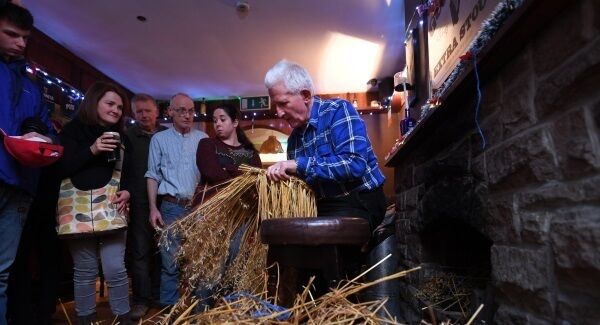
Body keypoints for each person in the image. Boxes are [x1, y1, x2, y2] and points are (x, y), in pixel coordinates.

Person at [264, 59, 387, 230]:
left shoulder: (338, 110)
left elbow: (354, 164)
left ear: (306, 96)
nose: (278, 112)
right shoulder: (293, 140)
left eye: (283, 103)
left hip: (360, 198)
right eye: (275, 105)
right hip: (323, 206)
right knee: (284, 235)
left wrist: (299, 164)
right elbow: (303, 187)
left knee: (318, 240)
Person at [57, 81, 132, 324]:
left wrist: (128, 192)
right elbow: (62, 169)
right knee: (85, 270)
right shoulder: (71, 132)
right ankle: (85, 319)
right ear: (94, 102)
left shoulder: (123, 138)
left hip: (111, 207)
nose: (116, 110)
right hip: (77, 210)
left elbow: (128, 174)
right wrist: (92, 149)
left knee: (115, 269)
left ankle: (123, 319)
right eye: (110, 103)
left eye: (120, 107)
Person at [0, 3, 55, 324]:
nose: (21, 42)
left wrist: (45, 139)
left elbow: (46, 130)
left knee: (2, 274)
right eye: (11, 34)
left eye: (25, 37)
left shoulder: (31, 85)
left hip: (20, 185)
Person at [145, 93, 207, 309]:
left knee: (199, 261)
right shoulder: (159, 139)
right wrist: (153, 208)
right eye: (181, 110)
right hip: (170, 207)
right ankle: (170, 311)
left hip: (199, 208)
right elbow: (152, 174)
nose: (187, 115)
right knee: (169, 263)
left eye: (191, 111)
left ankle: (200, 311)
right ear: (170, 112)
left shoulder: (203, 139)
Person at [125, 94, 166, 321]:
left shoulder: (167, 135)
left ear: (156, 112)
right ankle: (141, 300)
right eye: (139, 111)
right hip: (139, 202)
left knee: (163, 251)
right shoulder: (127, 137)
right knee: (140, 252)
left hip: (165, 201)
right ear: (133, 114)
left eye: (147, 111)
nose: (144, 115)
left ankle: (160, 295)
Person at [194, 105, 262, 204]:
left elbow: (257, 180)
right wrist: (242, 176)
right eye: (215, 121)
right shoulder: (207, 144)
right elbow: (212, 173)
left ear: (235, 122)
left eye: (222, 119)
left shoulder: (250, 152)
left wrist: (230, 169)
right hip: (211, 208)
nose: (218, 124)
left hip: (242, 209)